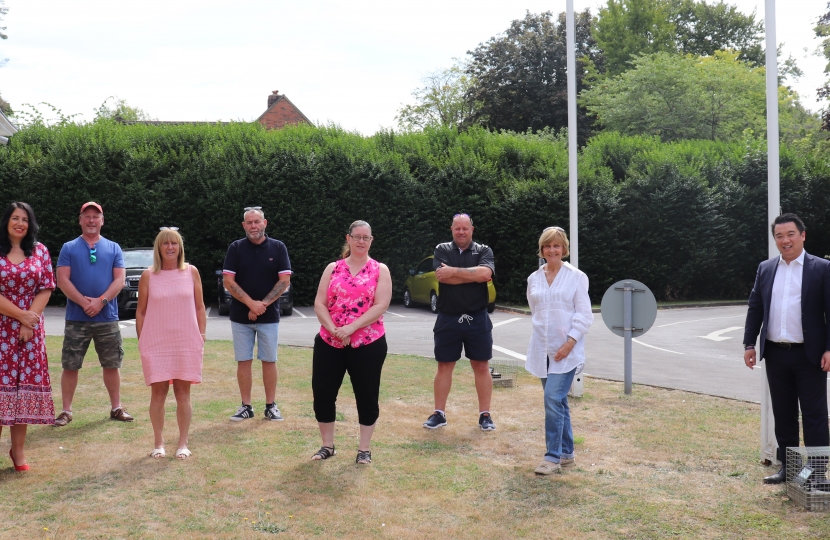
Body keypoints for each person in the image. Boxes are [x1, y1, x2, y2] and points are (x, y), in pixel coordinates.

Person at [743, 213, 830, 484]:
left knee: (815, 415)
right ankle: (789, 468)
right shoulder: (766, 268)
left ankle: (817, 472)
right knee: (783, 413)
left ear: (802, 235)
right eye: (779, 236)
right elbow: (755, 307)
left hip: (811, 355)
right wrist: (749, 343)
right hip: (776, 353)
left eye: (790, 234)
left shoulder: (822, 268)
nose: (785, 240)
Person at [311, 220, 391, 464]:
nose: (361, 241)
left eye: (366, 237)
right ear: (348, 239)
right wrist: (334, 329)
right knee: (323, 393)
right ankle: (327, 445)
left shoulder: (380, 270)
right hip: (329, 341)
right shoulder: (333, 268)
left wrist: (351, 328)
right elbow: (319, 303)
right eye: (357, 237)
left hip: (368, 343)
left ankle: (364, 449)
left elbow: (381, 305)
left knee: (366, 395)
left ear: (371, 241)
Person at [54, 202, 132, 426]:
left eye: (95, 217)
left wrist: (101, 302)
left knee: (111, 364)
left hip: (107, 317)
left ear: (102, 220)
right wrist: (84, 302)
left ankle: (116, 407)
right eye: (87, 216)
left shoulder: (114, 248)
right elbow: (62, 280)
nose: (91, 220)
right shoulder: (69, 248)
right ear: (80, 220)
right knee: (70, 365)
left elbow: (119, 280)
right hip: (77, 318)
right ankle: (66, 411)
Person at [525, 227, 593, 475]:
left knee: (552, 398)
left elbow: (584, 315)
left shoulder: (576, 277)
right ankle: (567, 453)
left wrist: (569, 342)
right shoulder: (534, 278)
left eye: (556, 246)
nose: (551, 250)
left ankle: (551, 457)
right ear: (541, 249)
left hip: (567, 352)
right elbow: (536, 311)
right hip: (542, 350)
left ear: (564, 249)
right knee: (558, 402)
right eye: (547, 246)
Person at [136, 228, 206, 459]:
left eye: (174, 243)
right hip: (156, 342)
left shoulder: (191, 272)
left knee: (183, 392)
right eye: (165, 243)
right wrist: (142, 340)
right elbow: (142, 311)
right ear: (158, 248)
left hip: (185, 340)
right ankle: (158, 443)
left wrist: (201, 335)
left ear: (180, 247)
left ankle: (183, 443)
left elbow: (199, 306)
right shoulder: (148, 275)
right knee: (158, 393)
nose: (170, 247)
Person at [423, 213, 497, 431]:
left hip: (478, 318)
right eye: (457, 228)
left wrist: (454, 272)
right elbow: (442, 277)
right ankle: (439, 414)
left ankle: (485, 415)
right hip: (448, 317)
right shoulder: (442, 249)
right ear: (452, 229)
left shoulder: (484, 250)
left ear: (472, 229)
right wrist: (471, 275)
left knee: (482, 366)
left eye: (465, 228)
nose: (461, 232)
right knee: (444, 365)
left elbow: (485, 274)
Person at [0, 202, 56, 471]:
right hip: (2, 330)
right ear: (6, 221)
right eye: (14, 218)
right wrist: (21, 316)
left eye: (24, 219)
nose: (19, 223)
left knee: (22, 393)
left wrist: (28, 320)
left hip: (29, 334)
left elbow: (46, 288)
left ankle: (18, 452)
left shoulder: (40, 251)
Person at [223, 207, 292, 421]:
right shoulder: (235, 248)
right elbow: (228, 281)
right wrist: (251, 304)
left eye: (257, 222)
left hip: (268, 316)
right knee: (243, 361)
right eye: (249, 222)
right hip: (240, 317)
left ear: (265, 223)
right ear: (244, 226)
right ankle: (246, 406)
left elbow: (284, 281)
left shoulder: (278, 248)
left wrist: (261, 305)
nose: (254, 226)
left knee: (269, 360)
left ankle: (271, 406)